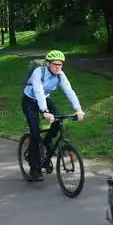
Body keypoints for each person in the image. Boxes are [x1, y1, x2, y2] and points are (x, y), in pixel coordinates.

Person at [22, 50, 85, 181]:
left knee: (58, 121)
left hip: (45, 99)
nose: (58, 67)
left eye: (60, 64)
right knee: (35, 133)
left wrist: (78, 109)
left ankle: (46, 143)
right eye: (55, 64)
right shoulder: (39, 72)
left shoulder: (60, 75)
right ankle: (34, 168)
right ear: (48, 64)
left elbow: (69, 91)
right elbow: (38, 91)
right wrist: (45, 111)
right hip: (30, 102)